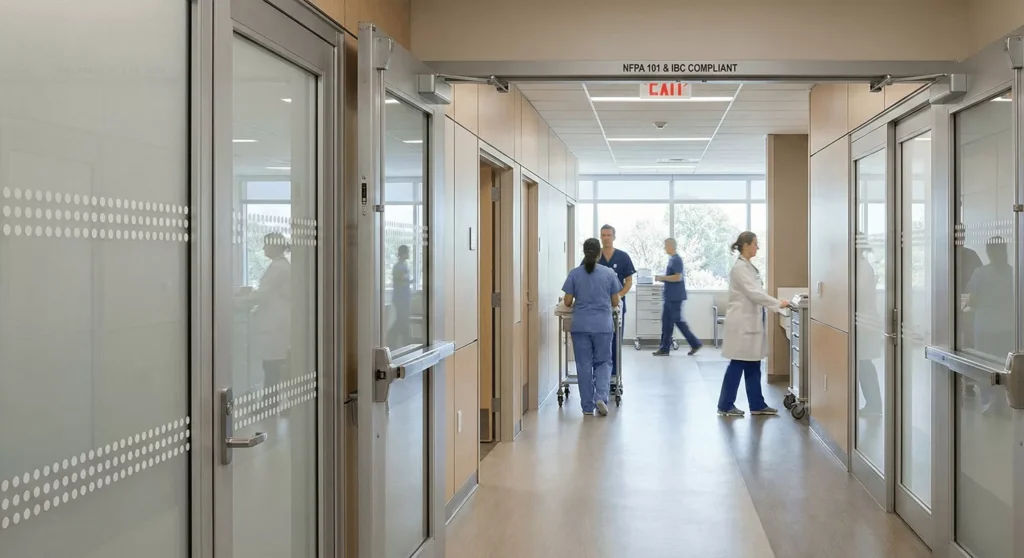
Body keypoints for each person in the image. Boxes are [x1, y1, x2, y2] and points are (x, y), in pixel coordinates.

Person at [717, 232, 789, 416]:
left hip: (750, 323)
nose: (758, 247)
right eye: (755, 244)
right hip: (742, 324)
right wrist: (776, 303)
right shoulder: (740, 269)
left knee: (753, 364)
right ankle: (725, 405)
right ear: (746, 245)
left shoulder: (748, 267)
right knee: (738, 364)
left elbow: (756, 292)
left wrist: (774, 302)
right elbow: (753, 293)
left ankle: (757, 404)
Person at [562, 238, 621, 417]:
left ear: (584, 252)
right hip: (602, 325)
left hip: (580, 325)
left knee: (583, 364)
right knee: (603, 362)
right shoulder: (609, 273)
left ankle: (587, 407)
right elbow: (615, 301)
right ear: (599, 253)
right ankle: (601, 397)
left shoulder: (575, 274)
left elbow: (567, 301)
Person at [236, 232, 292, 391]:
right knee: (271, 363)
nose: (263, 248)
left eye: (266, 244)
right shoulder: (281, 266)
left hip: (274, 323)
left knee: (271, 364)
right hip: (276, 322)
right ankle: (270, 400)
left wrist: (237, 304)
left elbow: (262, 295)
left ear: (274, 246)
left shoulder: (278, 268)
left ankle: (270, 401)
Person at [597, 224, 636, 381]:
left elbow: (628, 281)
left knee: (615, 341)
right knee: (599, 342)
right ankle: (600, 375)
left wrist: (617, 296)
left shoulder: (623, 257)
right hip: (597, 305)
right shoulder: (594, 257)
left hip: (616, 306)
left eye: (608, 235)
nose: (606, 238)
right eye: (603, 235)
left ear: (614, 236)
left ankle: (614, 376)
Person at [652, 237, 702, 356]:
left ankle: (695, 343)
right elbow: (672, 277)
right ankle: (664, 348)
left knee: (678, 321)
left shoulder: (677, 260)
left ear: (671, 246)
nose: (664, 248)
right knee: (666, 323)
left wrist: (662, 278)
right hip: (670, 296)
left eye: (665, 245)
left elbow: (677, 277)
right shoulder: (672, 259)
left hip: (675, 297)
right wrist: (663, 279)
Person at [388, 244, 413, 348]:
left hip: (403, 298)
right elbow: (401, 282)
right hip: (400, 298)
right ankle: (394, 338)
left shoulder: (403, 265)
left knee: (402, 320)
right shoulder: (399, 267)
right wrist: (410, 282)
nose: (409, 254)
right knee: (402, 320)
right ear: (403, 254)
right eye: (407, 252)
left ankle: (405, 341)